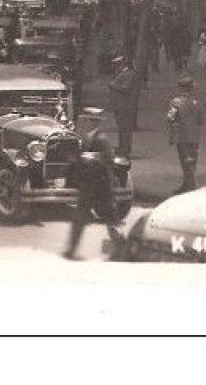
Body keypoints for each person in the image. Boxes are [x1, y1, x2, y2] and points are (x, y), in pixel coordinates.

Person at [62, 128, 122, 260]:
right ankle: (71, 250)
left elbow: (109, 159)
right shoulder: (86, 139)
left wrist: (92, 158)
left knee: (110, 219)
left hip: (102, 187)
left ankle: (120, 249)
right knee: (80, 219)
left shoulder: (102, 139)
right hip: (88, 186)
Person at [165, 74, 204, 194]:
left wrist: (172, 133)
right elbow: (201, 120)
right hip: (195, 136)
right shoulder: (197, 102)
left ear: (181, 88)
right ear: (191, 88)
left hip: (182, 136)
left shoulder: (176, 102)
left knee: (185, 161)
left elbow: (171, 117)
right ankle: (187, 185)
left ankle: (192, 186)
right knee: (193, 161)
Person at [106, 56, 143, 157]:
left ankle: (125, 148)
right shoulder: (124, 74)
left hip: (125, 106)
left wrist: (112, 85)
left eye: (117, 65)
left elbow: (126, 88)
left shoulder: (128, 75)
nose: (115, 67)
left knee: (125, 128)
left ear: (122, 65)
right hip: (122, 106)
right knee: (122, 128)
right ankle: (122, 146)